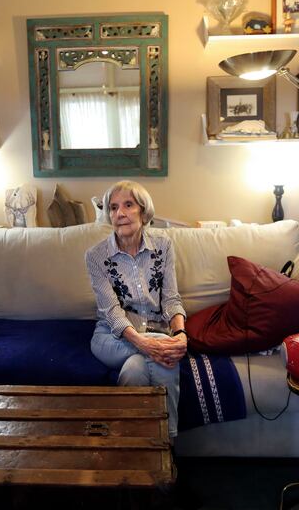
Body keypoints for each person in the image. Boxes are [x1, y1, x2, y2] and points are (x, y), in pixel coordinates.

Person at [85, 180, 187, 439]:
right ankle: (168, 442)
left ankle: (134, 443)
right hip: (111, 337)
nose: (120, 213)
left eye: (128, 205)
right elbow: (112, 312)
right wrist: (148, 344)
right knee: (166, 359)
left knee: (134, 369)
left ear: (143, 211)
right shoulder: (96, 256)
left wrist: (181, 335)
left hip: (156, 330)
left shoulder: (163, 247)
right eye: (113, 207)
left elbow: (172, 299)